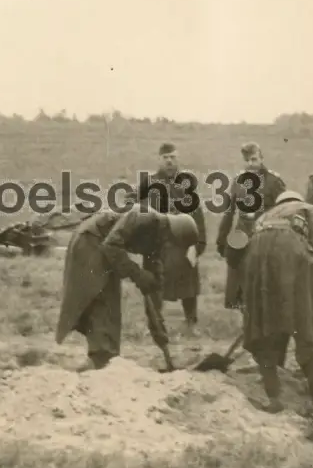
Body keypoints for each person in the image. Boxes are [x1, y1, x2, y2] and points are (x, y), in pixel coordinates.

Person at [241, 190, 313, 421]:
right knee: (308, 321)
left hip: (256, 254)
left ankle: (273, 397)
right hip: (292, 253)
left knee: (264, 322)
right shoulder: (309, 209)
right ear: (296, 201)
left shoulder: (264, 217)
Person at [56, 208, 201, 372]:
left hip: (102, 247)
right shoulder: (142, 216)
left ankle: (103, 361)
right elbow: (110, 245)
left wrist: (160, 334)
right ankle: (102, 361)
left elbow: (152, 293)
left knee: (109, 304)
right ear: (173, 233)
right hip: (89, 240)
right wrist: (137, 274)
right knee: (101, 298)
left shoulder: (159, 239)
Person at [138, 141, 207, 334]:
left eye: (172, 157)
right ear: (159, 160)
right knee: (153, 285)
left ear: (178, 159)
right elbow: (133, 209)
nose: (169, 161)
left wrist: (197, 245)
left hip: (182, 244)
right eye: (165, 158)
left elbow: (198, 217)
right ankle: (154, 324)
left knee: (189, 285)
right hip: (156, 244)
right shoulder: (148, 184)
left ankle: (191, 323)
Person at [215, 142, 288, 312]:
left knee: (265, 279)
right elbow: (229, 212)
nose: (250, 164)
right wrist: (221, 239)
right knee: (238, 275)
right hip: (242, 233)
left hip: (266, 234)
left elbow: (284, 210)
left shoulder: (274, 181)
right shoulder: (239, 181)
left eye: (254, 159)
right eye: (247, 160)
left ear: (261, 159)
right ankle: (243, 312)